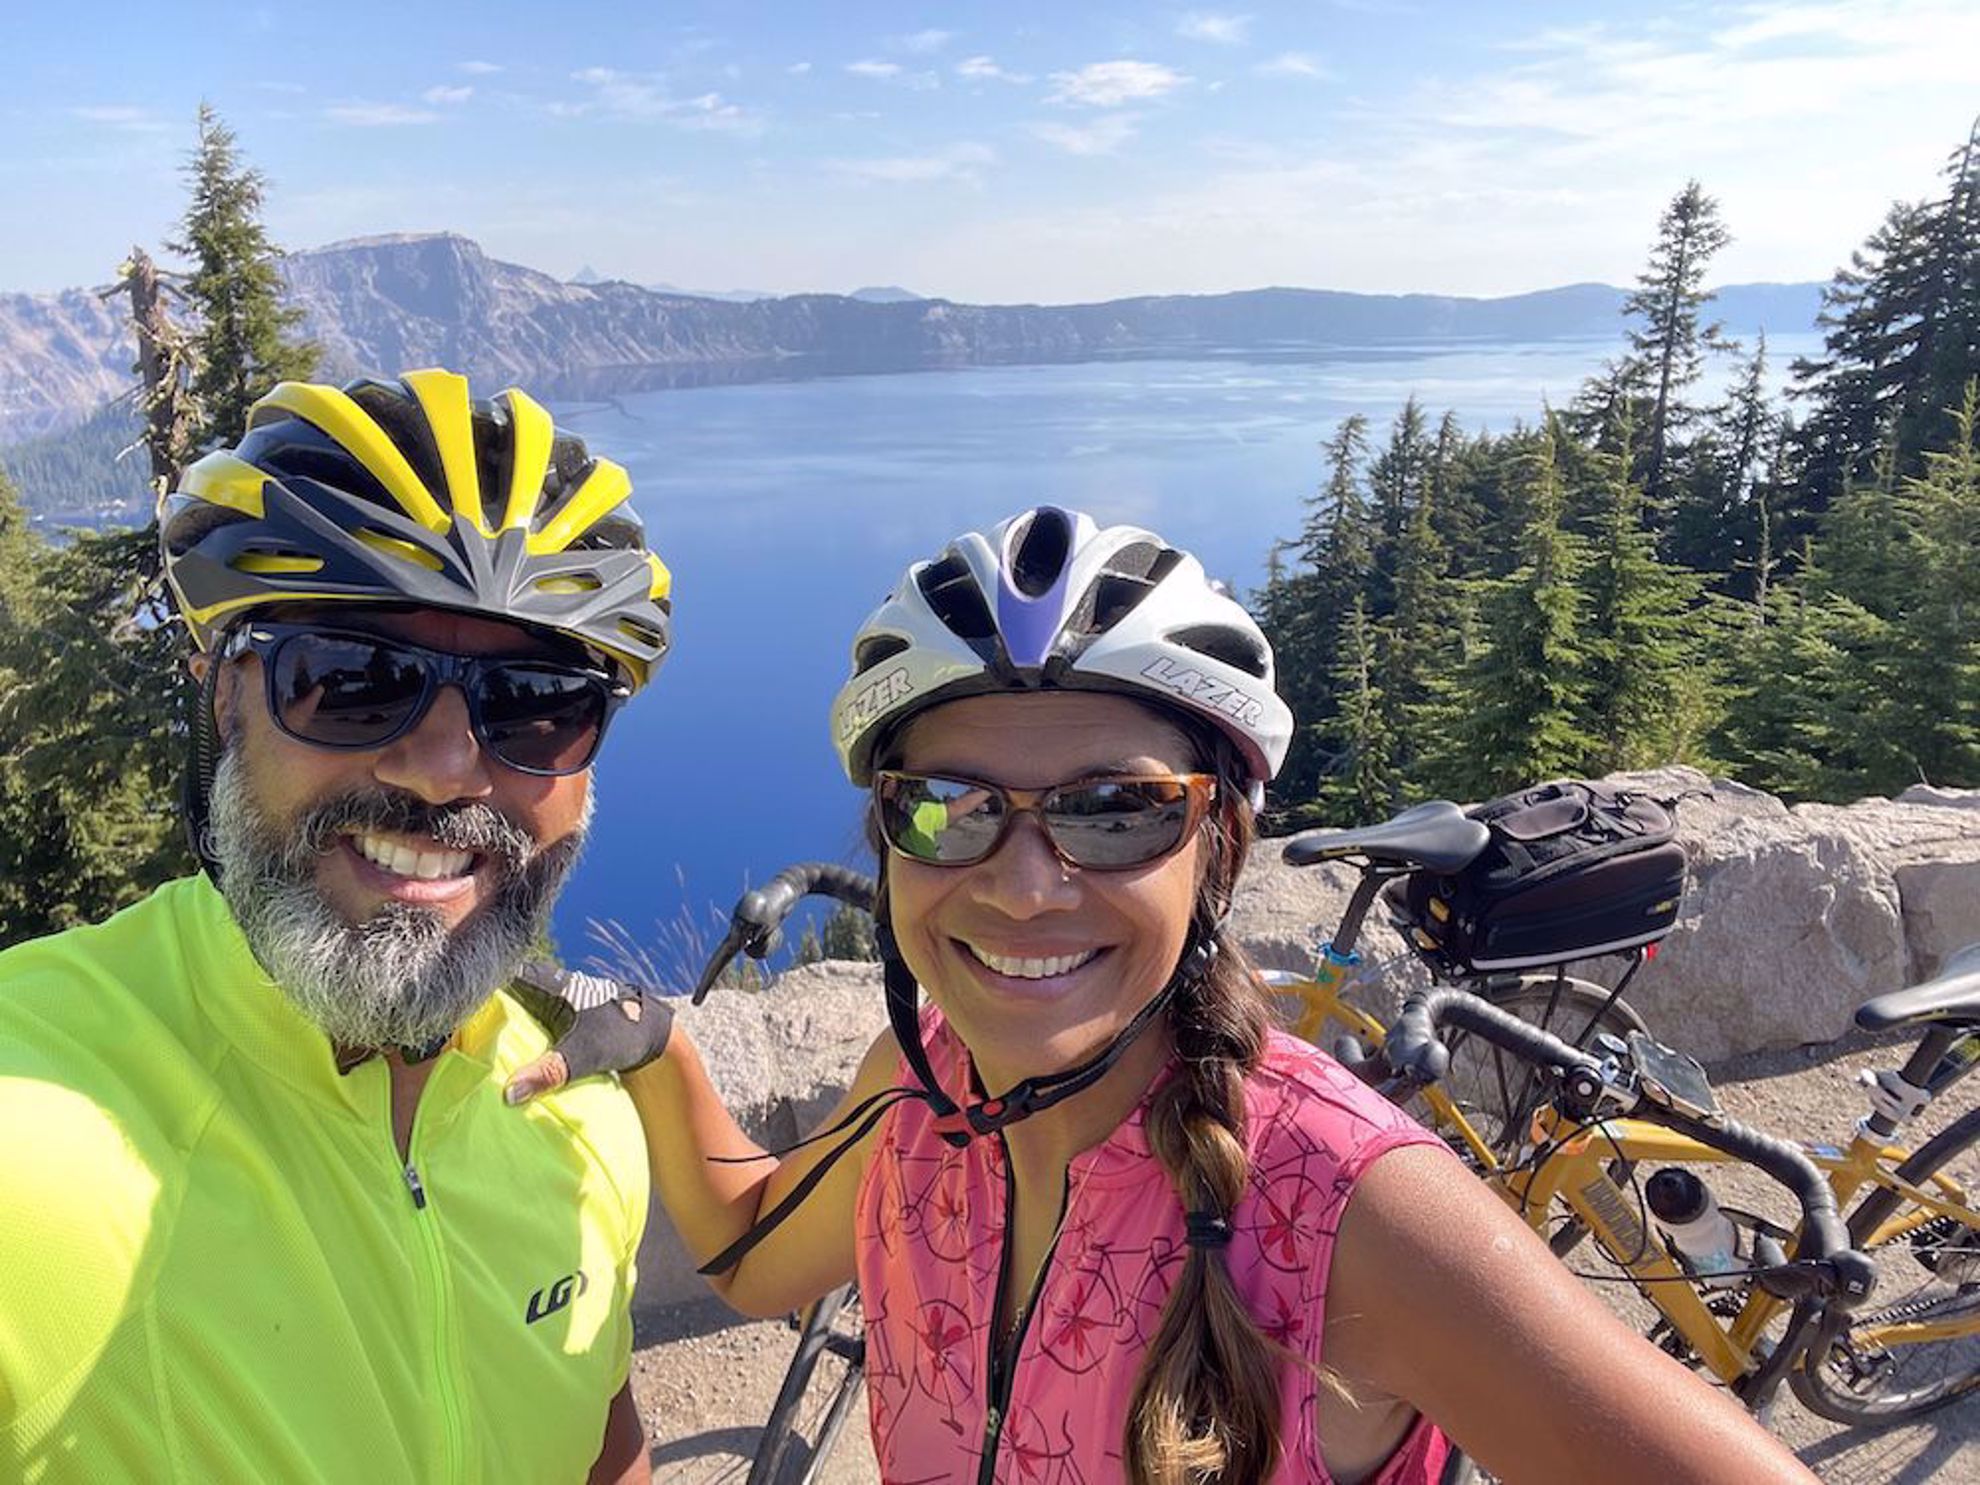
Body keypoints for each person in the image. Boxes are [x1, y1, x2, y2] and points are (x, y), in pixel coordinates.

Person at [510, 506, 1823, 1483]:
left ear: (1220, 849)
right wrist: (657, 1049)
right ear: (886, 837)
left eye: (1117, 811)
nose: (1026, 886)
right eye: (951, 807)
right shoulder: (920, 1100)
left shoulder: (1351, 1213)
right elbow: (749, 1252)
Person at [0, 371, 672, 1484]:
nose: (446, 767)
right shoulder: (35, 1124)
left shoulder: (585, 1127)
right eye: (354, 679)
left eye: (537, 704)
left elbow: (604, 1442)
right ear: (227, 702)